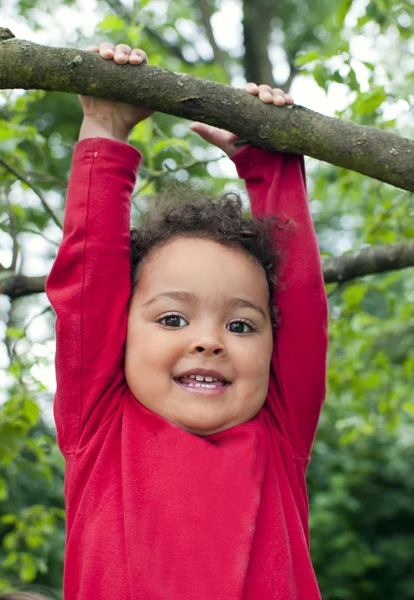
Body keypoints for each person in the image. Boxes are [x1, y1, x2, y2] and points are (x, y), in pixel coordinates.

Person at [45, 42, 328, 599]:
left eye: (241, 326)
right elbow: (86, 285)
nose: (208, 342)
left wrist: (273, 168)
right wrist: (104, 126)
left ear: (274, 345)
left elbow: (302, 303)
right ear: (120, 334)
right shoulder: (101, 426)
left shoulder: (278, 430)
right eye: (173, 319)